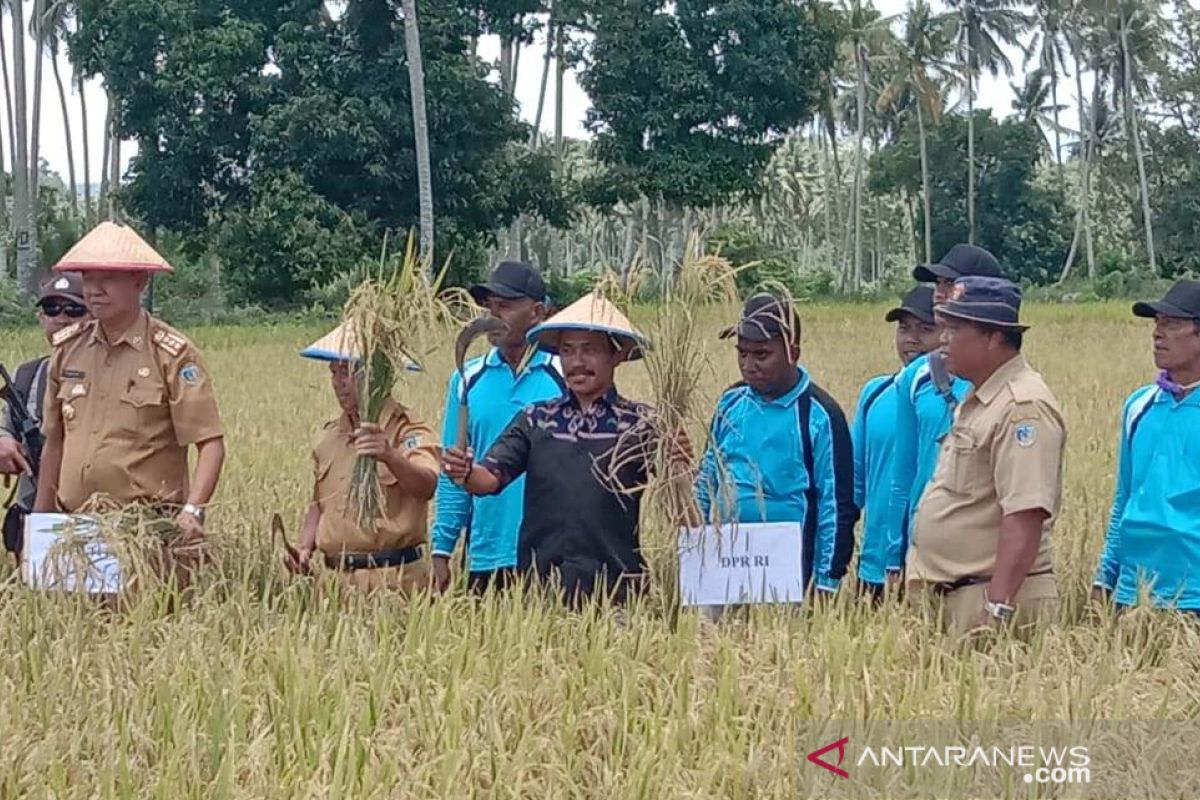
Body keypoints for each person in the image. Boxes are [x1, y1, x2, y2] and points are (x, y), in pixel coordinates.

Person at [442, 292, 686, 607]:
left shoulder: (642, 424)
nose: (577, 362)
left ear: (618, 354)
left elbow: (678, 504)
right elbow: (488, 479)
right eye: (568, 351)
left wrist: (678, 462)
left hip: (619, 594)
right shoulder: (536, 418)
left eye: (590, 350)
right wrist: (464, 472)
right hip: (541, 592)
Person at [33, 222, 225, 557]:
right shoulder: (67, 350)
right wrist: (39, 523)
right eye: (89, 278)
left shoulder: (171, 354)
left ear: (139, 280)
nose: (94, 289)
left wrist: (193, 511)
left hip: (146, 532)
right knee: (79, 611)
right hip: (76, 529)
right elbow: (55, 442)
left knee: (145, 609)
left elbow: (210, 443)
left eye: (108, 278)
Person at [906, 277, 1065, 637]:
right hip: (957, 596)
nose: (942, 338)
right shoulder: (979, 399)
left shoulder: (1023, 407)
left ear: (993, 337)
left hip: (987, 601)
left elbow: (1024, 514)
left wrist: (997, 608)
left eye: (955, 328)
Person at [694, 292, 858, 600]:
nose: (748, 365)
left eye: (761, 354)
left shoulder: (819, 415)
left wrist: (826, 582)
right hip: (725, 568)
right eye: (741, 353)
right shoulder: (730, 404)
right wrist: (693, 547)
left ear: (792, 351)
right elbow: (707, 479)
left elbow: (836, 506)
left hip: (792, 574)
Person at [431, 262, 566, 595]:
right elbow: (453, 469)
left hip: (553, 551)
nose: (492, 316)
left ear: (536, 312)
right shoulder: (466, 381)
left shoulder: (566, 375)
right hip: (487, 552)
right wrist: (441, 548)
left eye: (504, 306)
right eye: (489, 306)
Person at [282, 323, 441, 594]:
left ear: (376, 374)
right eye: (333, 372)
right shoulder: (329, 437)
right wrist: (304, 548)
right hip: (335, 584)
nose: (337, 383)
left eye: (346, 372)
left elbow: (426, 486)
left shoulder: (408, 430)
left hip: (394, 581)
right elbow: (319, 504)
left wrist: (389, 456)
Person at [881, 245, 1001, 574]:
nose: (938, 294)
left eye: (950, 284)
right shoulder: (914, 378)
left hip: (981, 555)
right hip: (923, 552)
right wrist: (894, 556)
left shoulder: (1006, 378)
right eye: (938, 285)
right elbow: (902, 477)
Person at [1093, 280, 1200, 614]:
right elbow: (1124, 497)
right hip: (1133, 592)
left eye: (1172, 324)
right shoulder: (1139, 406)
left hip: (1193, 595)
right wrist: (1105, 577)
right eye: (1157, 324)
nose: (1158, 334)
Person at [851, 286, 940, 598]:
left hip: (931, 566)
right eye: (904, 328)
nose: (911, 339)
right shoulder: (875, 393)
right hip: (874, 566)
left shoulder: (959, 399)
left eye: (925, 329)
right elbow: (854, 483)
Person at [1, 273, 90, 557]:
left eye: (74, 310)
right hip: (36, 506)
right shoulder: (28, 375)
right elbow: (5, 426)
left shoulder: (113, 374)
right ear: (41, 319)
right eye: (52, 309)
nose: (62, 318)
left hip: (95, 511)